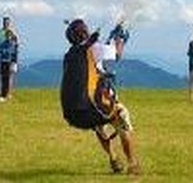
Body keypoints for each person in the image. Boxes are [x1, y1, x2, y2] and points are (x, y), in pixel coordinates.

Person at [60, 18, 140, 175]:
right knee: (120, 118)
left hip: (74, 113)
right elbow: (116, 54)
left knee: (99, 125)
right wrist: (120, 39)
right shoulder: (93, 49)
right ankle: (132, 164)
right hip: (92, 106)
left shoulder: (70, 55)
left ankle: (113, 158)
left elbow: (93, 66)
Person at [0, 15, 19, 101]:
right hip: (0, 54)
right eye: (5, 22)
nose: (6, 23)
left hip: (8, 57)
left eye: (7, 22)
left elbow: (16, 44)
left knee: (9, 75)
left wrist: (14, 59)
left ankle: (8, 93)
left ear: (9, 23)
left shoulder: (12, 32)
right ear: (3, 22)